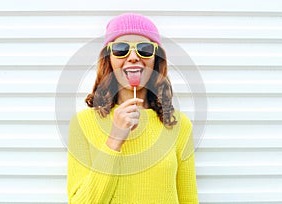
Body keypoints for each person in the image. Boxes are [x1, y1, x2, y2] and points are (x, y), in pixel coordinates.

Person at [67, 13, 199, 203]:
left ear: (156, 59)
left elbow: (189, 199)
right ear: (108, 59)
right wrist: (114, 140)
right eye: (121, 49)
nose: (133, 57)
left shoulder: (178, 125)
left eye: (145, 49)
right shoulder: (82, 123)